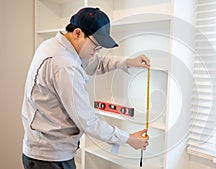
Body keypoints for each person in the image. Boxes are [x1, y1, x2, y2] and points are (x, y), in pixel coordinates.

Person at [21, 7, 150, 169]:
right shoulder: (65, 65)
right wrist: (128, 138)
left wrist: (128, 62)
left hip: (45, 151)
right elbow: (88, 122)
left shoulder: (56, 47)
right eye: (95, 46)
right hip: (50, 158)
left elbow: (96, 63)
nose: (96, 52)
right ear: (77, 33)